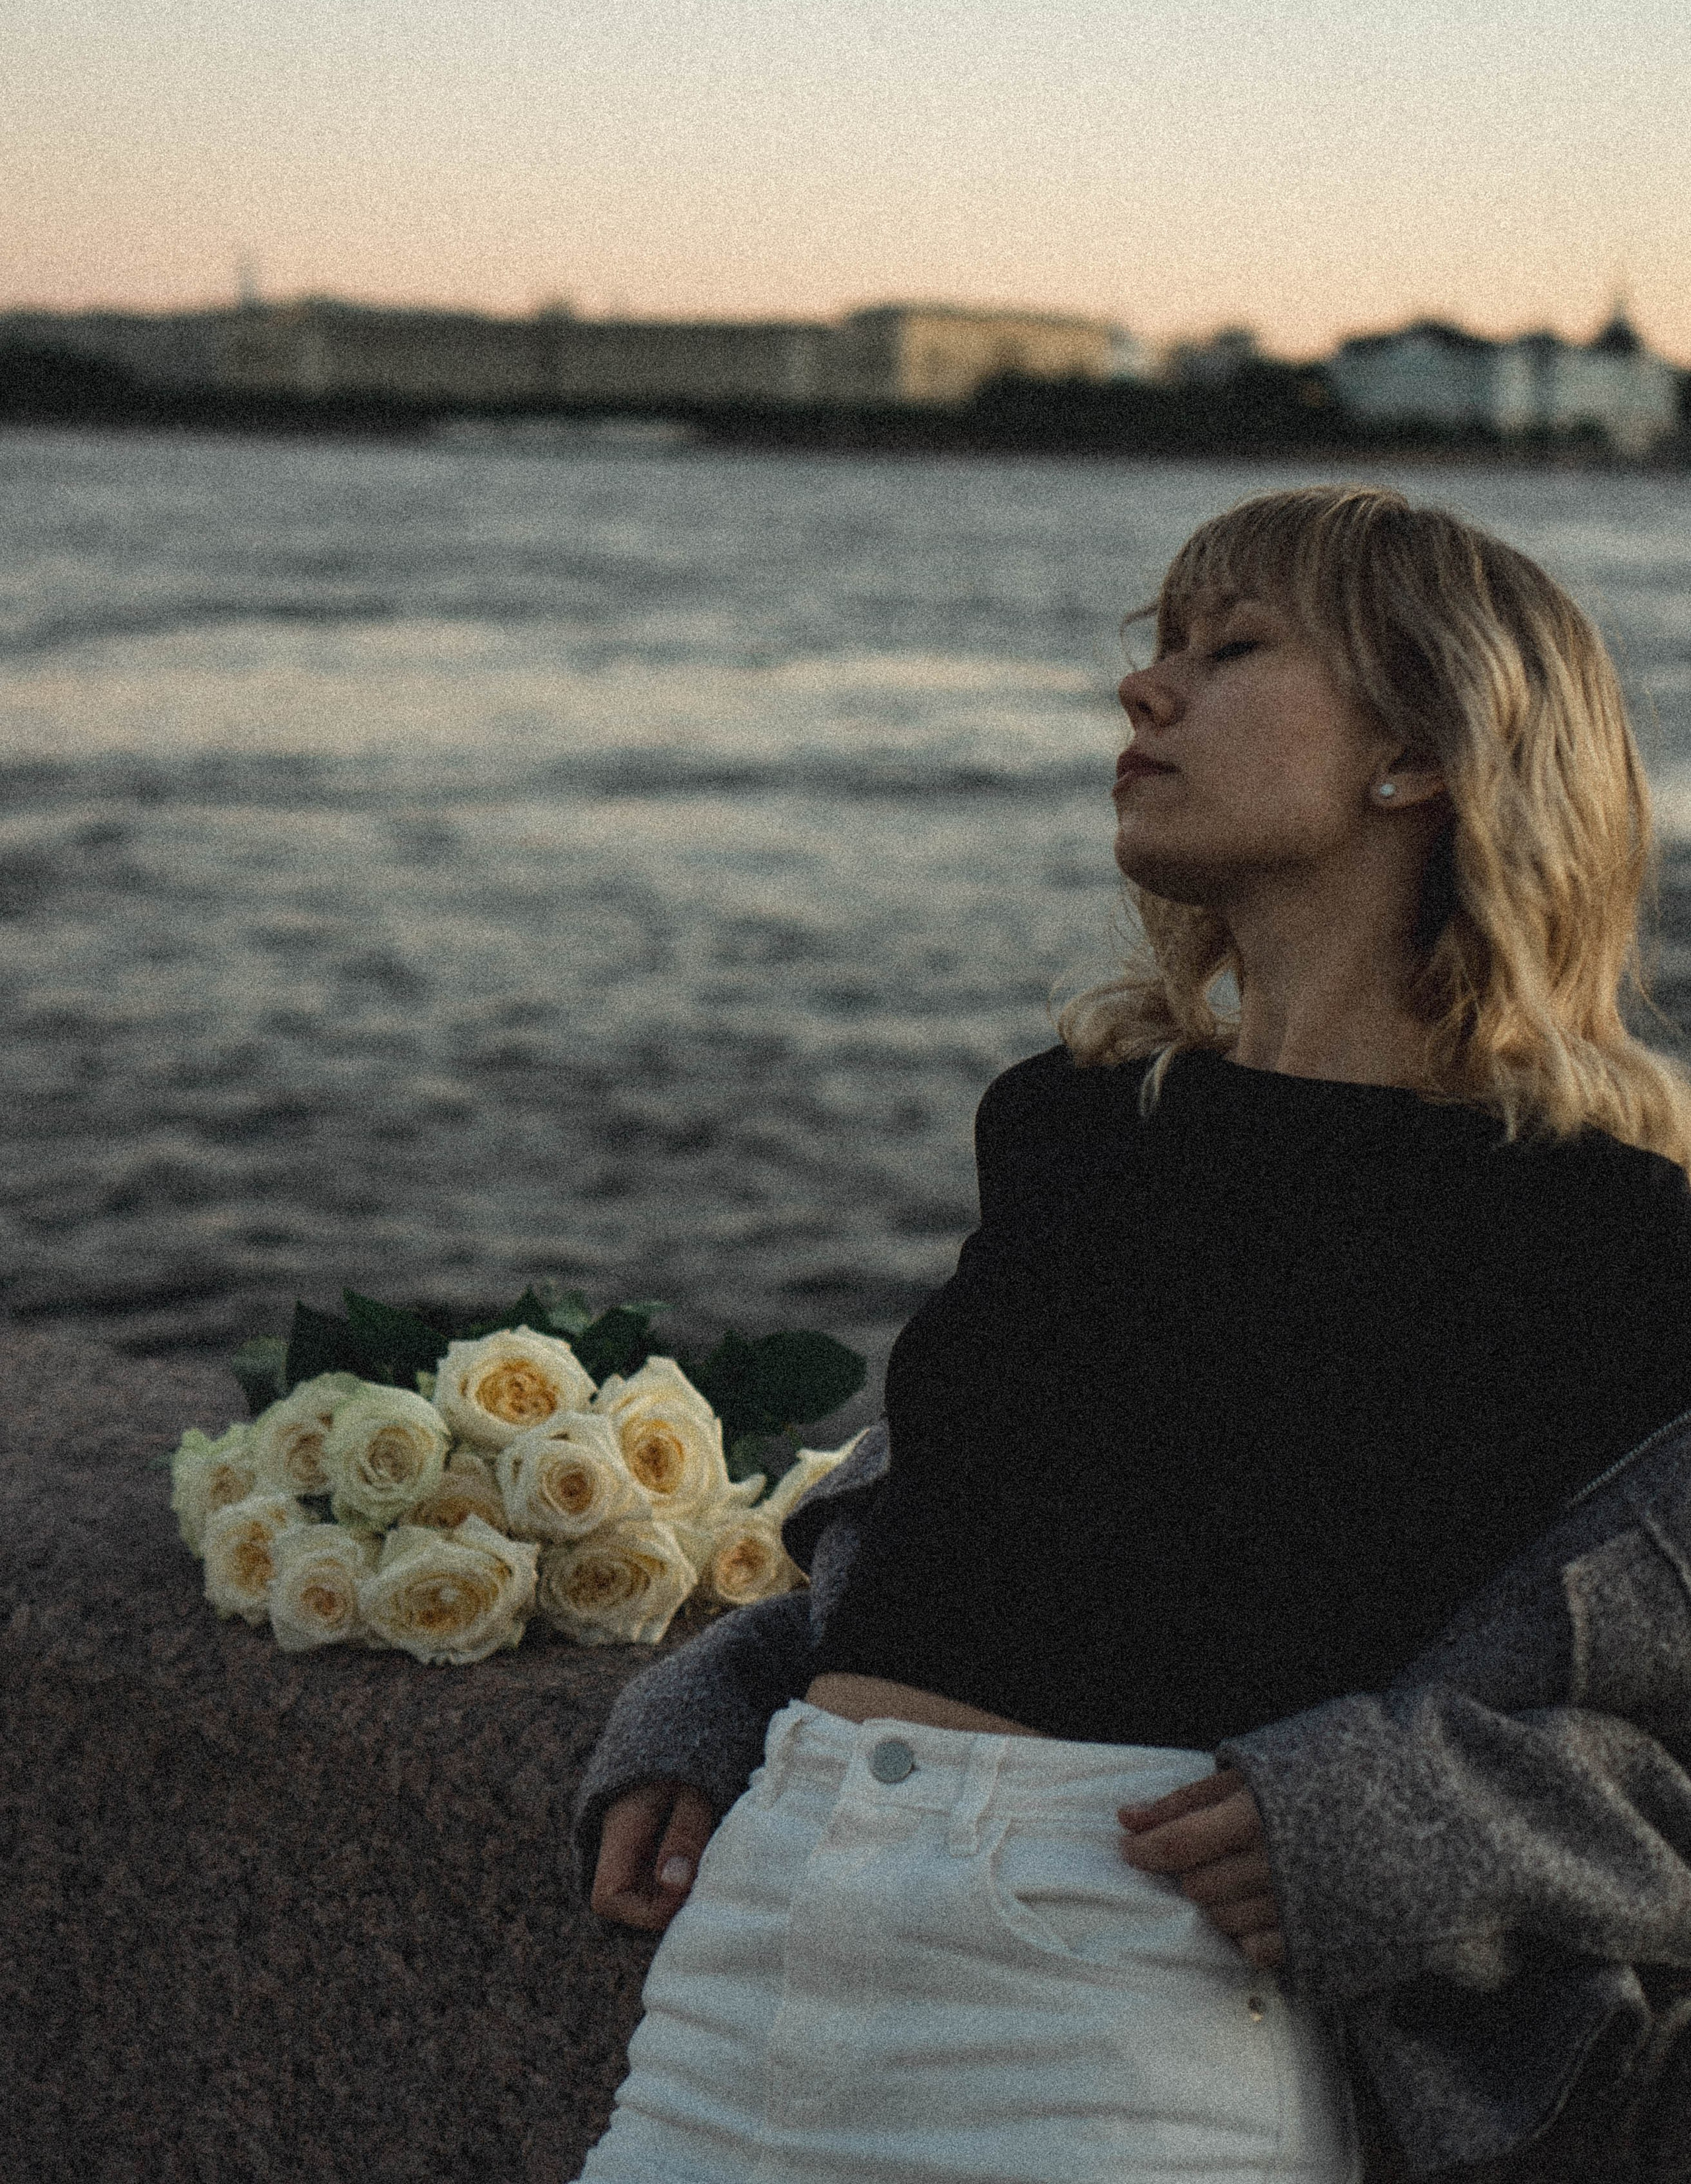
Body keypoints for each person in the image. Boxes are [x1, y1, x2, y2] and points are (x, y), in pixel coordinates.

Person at [571, 486, 1691, 2183]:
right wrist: (727, 1694)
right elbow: (977, 1522)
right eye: (1153, 649)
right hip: (757, 1953)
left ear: (1420, 753)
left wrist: (1398, 1823)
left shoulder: (1597, 1239)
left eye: (1228, 650)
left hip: (1125, 2020)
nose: (1142, 694)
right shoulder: (1074, 1125)